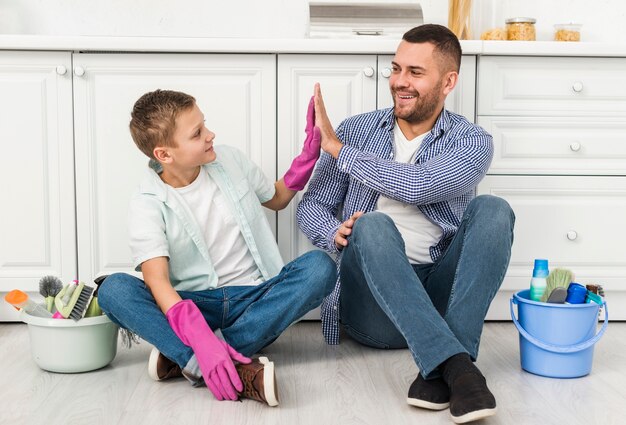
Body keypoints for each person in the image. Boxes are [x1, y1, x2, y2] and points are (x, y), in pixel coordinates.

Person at [297, 24, 515, 424]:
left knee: (494, 209)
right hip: (374, 308)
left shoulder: (472, 142)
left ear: (448, 82)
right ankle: (461, 369)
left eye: (415, 72)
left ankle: (442, 365)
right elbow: (310, 206)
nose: (399, 81)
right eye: (396, 69)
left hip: (440, 292)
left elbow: (419, 185)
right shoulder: (354, 131)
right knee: (373, 226)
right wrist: (333, 232)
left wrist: (340, 152)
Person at [98, 89, 336, 406]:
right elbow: (158, 282)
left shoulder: (230, 159)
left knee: (321, 267)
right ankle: (207, 359)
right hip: (194, 306)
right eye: (197, 134)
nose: (210, 135)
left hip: (254, 300)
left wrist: (309, 153)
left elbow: (276, 199)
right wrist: (197, 334)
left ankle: (187, 358)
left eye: (204, 124)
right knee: (113, 289)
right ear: (164, 155)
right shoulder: (146, 203)